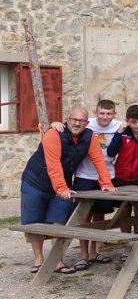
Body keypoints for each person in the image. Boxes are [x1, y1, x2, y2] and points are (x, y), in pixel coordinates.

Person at [21, 106, 115, 275]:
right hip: (36, 181)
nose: (77, 123)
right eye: (74, 119)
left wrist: (106, 183)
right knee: (34, 219)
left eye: (81, 121)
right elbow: (53, 164)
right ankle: (39, 259)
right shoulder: (53, 133)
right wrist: (61, 188)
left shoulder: (89, 137)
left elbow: (98, 160)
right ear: (68, 119)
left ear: (87, 123)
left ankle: (57, 260)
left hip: (62, 184)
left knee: (60, 218)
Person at [63, 99, 121, 270]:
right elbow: (68, 124)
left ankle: (95, 251)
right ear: (95, 113)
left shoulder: (119, 125)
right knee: (84, 215)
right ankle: (83, 255)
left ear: (114, 114)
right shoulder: (86, 124)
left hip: (107, 177)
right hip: (84, 175)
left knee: (99, 214)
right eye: (101, 113)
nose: (105, 116)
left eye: (109, 113)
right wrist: (55, 123)